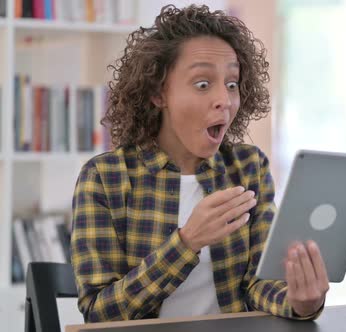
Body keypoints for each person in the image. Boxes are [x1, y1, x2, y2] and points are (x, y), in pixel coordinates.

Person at [71, 4, 329, 322]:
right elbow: (100, 314)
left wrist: (300, 302)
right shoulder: (105, 177)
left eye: (232, 84)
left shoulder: (248, 167)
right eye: (203, 84)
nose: (224, 98)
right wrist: (188, 241)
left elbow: (258, 286)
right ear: (157, 93)